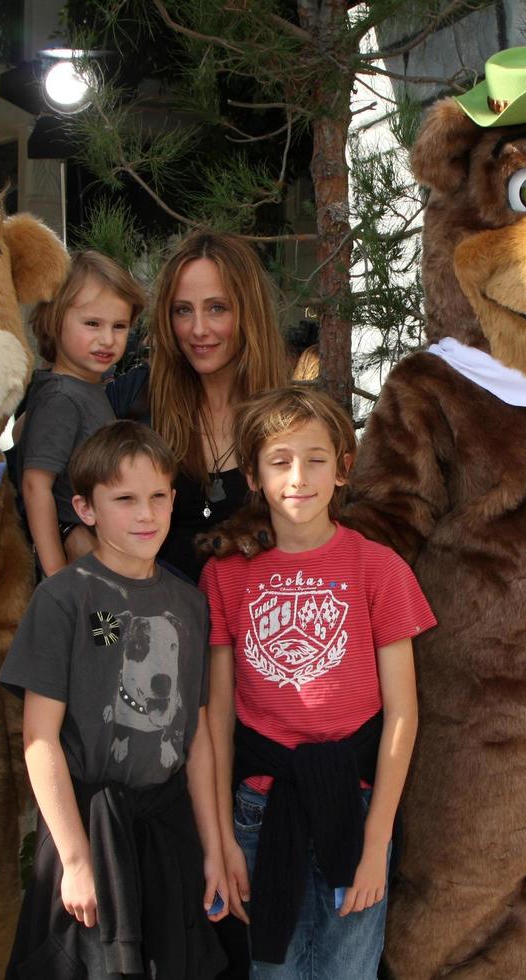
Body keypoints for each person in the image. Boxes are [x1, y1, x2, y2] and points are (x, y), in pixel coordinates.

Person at [199, 387, 436, 978]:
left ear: (343, 470)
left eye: (316, 459)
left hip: (352, 804)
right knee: (272, 969)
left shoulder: (377, 569)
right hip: (260, 804)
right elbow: (218, 714)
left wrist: (377, 839)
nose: (298, 476)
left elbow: (403, 711)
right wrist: (224, 838)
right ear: (253, 475)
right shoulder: (226, 575)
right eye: (279, 461)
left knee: (347, 970)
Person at [0, 421, 229, 979]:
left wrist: (212, 848)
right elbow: (39, 739)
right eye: (124, 499)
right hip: (89, 828)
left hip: (166, 829)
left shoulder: (188, 603)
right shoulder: (65, 599)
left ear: (175, 500)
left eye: (157, 497)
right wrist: (76, 860)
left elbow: (194, 735)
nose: (145, 514)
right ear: (86, 508)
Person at [109, 230, 289, 584]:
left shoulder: (290, 420)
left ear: (248, 313)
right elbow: (45, 462)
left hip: (253, 630)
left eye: (217, 308)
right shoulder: (134, 399)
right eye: (183, 311)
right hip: (150, 627)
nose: (198, 329)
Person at [19, 251, 146, 576]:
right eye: (92, 324)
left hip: (100, 548)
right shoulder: (61, 397)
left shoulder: (87, 388)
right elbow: (35, 485)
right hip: (76, 559)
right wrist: (57, 576)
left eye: (119, 326)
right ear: (54, 320)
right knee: (102, 629)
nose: (107, 339)